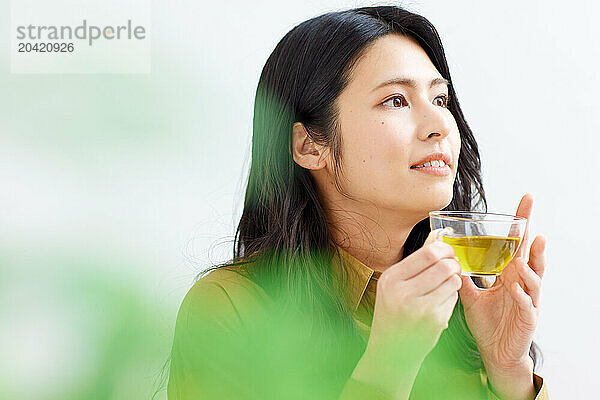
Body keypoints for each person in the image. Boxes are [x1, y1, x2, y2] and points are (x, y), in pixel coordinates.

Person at [167, 5, 549, 399]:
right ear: (310, 145)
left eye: (440, 99)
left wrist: (509, 371)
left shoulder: (466, 304)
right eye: (395, 101)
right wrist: (389, 363)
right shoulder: (229, 307)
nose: (439, 126)